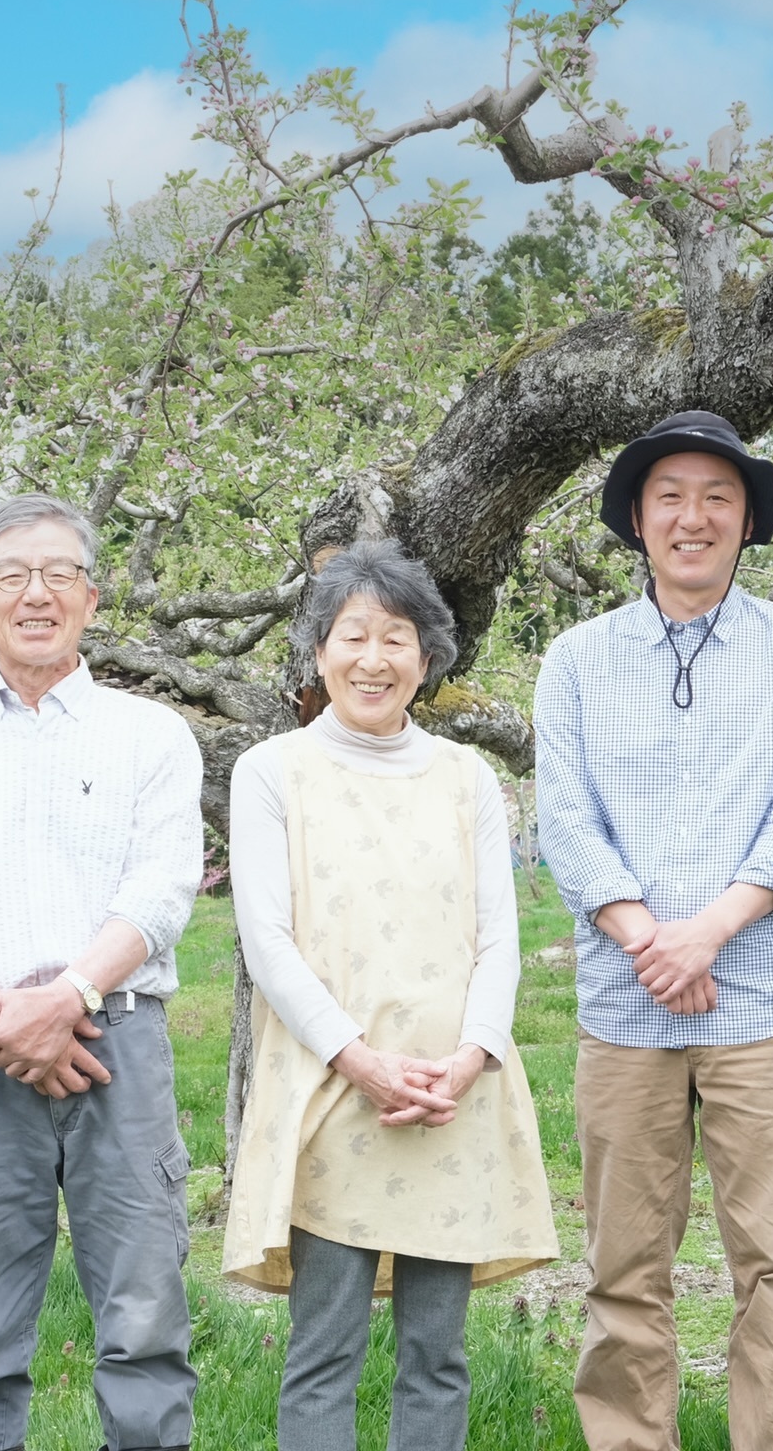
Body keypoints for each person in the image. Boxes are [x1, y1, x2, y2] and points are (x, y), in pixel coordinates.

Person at [534, 411, 773, 1451]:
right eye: (669, 494)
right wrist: (648, 942)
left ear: (749, 518)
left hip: (759, 998)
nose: (693, 516)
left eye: (719, 496)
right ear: (636, 517)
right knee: (625, 1262)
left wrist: (706, 934)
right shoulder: (577, 660)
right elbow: (567, 824)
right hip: (626, 1004)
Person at [0, 493, 204, 1451]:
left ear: (92, 598)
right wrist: (5, 1021)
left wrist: (65, 1001)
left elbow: (163, 890)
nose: (36, 593)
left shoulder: (151, 735)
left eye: (59, 574)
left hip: (121, 1044)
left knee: (145, 1321)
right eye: (12, 576)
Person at [221, 541, 558, 1451]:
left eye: (397, 639)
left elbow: (499, 937)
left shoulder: (466, 777)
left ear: (427, 658)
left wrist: (471, 1057)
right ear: (318, 651)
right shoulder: (272, 772)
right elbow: (269, 940)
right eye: (352, 636)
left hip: (452, 1098)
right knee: (323, 1349)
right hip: (333, 1089)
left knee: (437, 1354)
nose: (374, 659)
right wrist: (358, 1060)